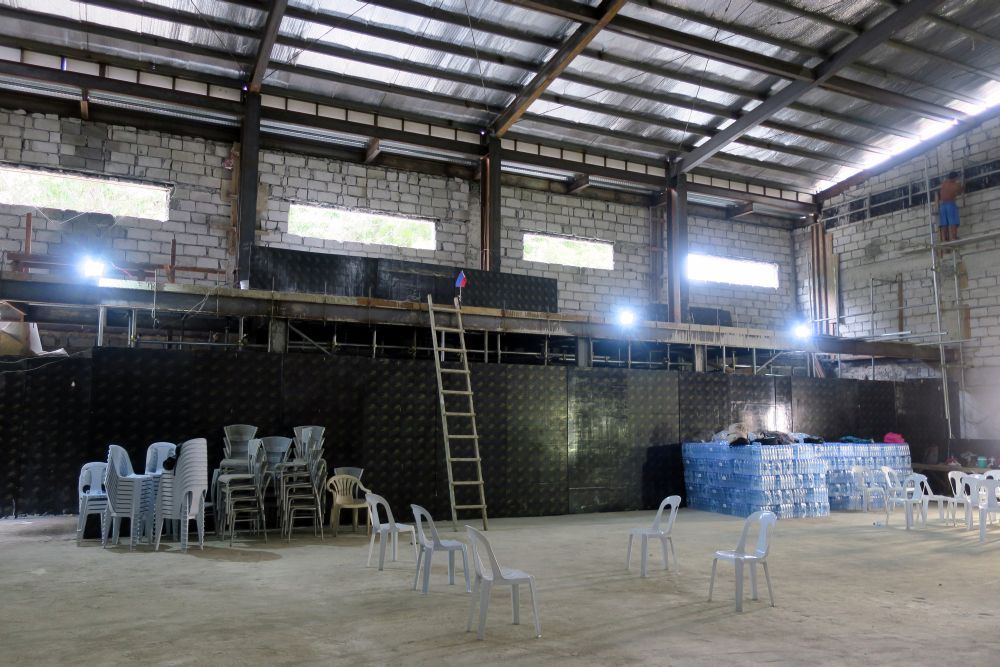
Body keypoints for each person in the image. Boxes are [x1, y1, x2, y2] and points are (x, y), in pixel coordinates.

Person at [938, 171, 962, 243]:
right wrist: (962, 185)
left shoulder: (944, 183)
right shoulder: (955, 185)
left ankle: (945, 239)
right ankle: (954, 237)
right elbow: (960, 191)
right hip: (950, 205)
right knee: (953, 221)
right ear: (955, 177)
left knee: (944, 223)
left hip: (942, 206)